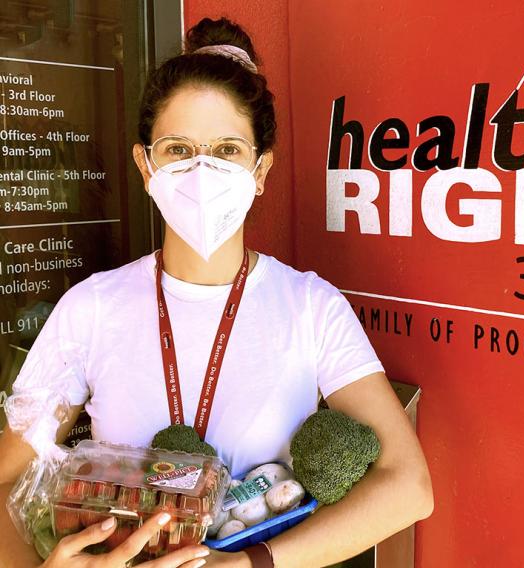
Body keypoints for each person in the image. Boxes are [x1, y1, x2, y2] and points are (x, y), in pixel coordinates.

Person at [0, 17, 433, 568]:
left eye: (227, 150)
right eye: (178, 148)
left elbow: (408, 485)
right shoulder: (91, 309)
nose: (201, 170)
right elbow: (7, 479)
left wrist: (254, 563)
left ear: (261, 168)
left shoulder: (310, 307)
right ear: (145, 165)